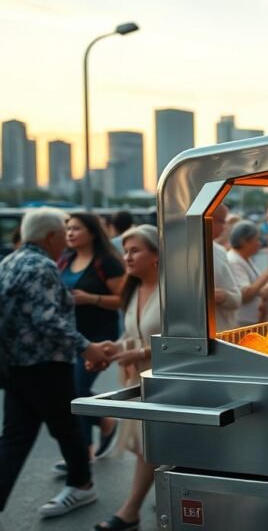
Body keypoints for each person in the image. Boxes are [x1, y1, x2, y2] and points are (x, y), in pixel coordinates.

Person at [0, 207, 117, 519]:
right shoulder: (42, 266)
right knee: (66, 427)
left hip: (16, 365)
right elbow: (48, 320)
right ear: (51, 236)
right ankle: (81, 484)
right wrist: (86, 348)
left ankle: (79, 483)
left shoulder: (9, 262)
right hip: (46, 363)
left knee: (16, 437)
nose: (66, 241)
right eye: (63, 234)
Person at [94, 225, 161, 531]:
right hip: (140, 381)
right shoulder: (133, 288)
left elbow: (186, 340)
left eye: (135, 250)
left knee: (150, 446)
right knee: (147, 446)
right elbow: (133, 333)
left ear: (156, 255)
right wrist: (114, 348)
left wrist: (139, 352)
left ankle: (129, 512)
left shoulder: (174, 291)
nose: (127, 257)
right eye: (125, 251)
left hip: (166, 382)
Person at [60, 213, 125, 460]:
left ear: (92, 232)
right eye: (68, 229)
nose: (70, 233)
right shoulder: (65, 260)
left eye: (76, 228)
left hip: (99, 335)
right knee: (70, 390)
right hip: (70, 335)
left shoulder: (107, 262)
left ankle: (84, 452)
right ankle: (104, 421)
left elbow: (122, 299)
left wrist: (90, 298)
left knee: (77, 388)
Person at [227, 221, 268, 327]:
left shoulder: (245, 258)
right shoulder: (233, 261)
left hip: (252, 321)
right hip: (243, 323)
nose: (259, 243)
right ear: (244, 241)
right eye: (256, 239)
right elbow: (245, 295)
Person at [210, 205, 242, 330]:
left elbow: (237, 297)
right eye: (221, 222)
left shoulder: (219, 251)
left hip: (222, 331)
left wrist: (224, 296)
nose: (224, 227)